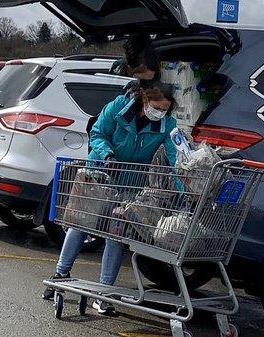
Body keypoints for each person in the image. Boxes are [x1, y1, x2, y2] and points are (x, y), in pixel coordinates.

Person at [42, 83, 178, 316]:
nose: (159, 113)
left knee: (116, 234)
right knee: (81, 224)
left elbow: (175, 158)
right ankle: (61, 273)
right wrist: (107, 154)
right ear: (144, 100)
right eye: (156, 107)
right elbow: (98, 133)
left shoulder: (167, 125)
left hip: (129, 182)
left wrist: (185, 187)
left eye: (164, 109)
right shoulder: (118, 108)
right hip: (99, 175)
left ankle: (104, 292)